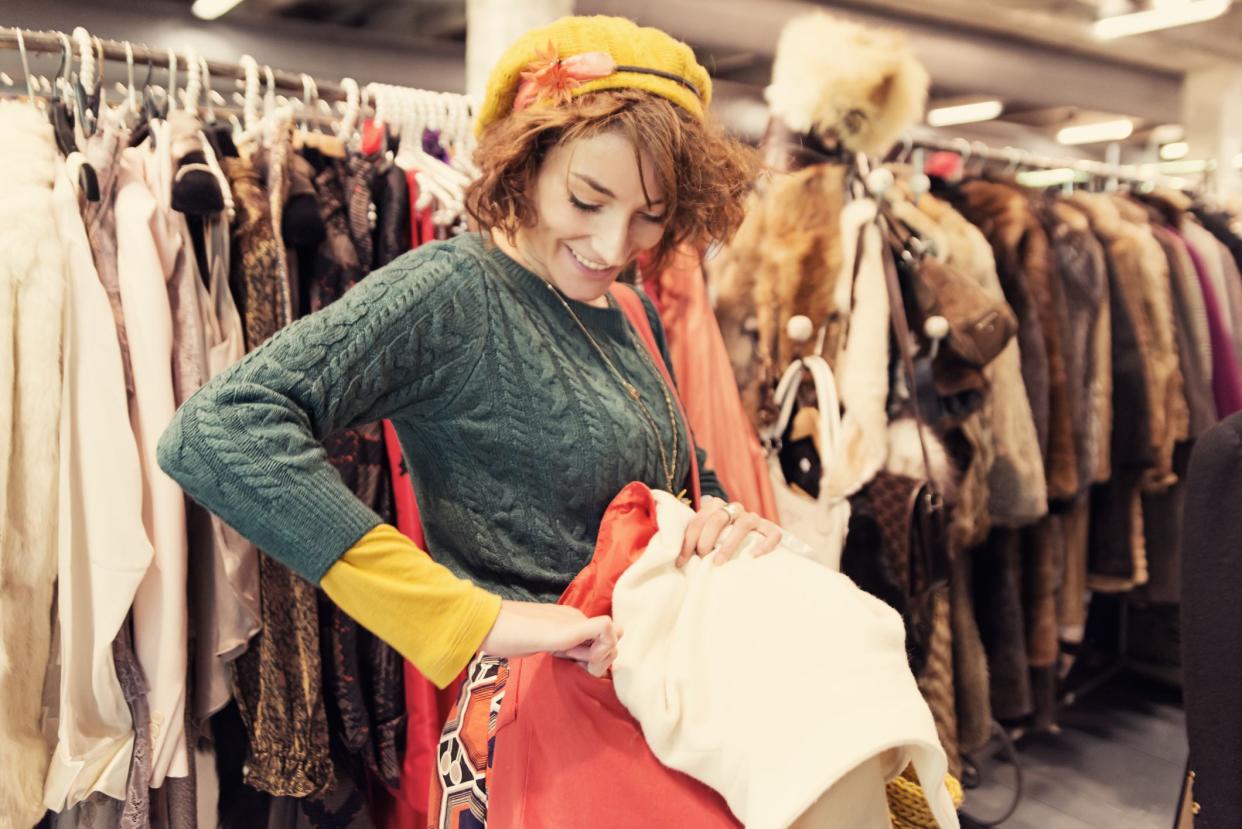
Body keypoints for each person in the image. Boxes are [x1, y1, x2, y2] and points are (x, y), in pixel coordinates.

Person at [157, 13, 773, 822]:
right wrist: (463, 614)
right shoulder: (454, 292)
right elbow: (218, 429)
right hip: (538, 734)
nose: (614, 242)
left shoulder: (628, 308)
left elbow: (675, 463)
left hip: (658, 707)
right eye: (587, 198)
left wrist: (715, 515)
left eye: (649, 214)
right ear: (527, 161)